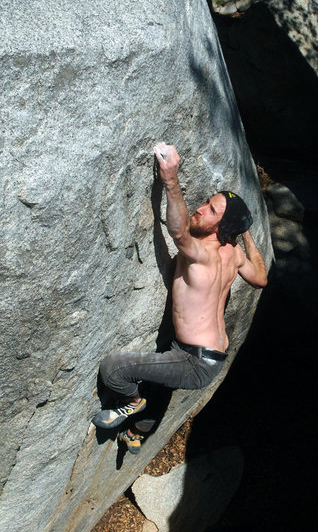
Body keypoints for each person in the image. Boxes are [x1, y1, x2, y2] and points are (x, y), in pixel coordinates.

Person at [92, 142, 267, 453]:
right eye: (207, 203)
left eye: (211, 211)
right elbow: (261, 278)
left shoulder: (202, 254)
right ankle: (138, 433)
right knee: (161, 384)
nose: (200, 208)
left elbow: (178, 233)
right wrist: (247, 234)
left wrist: (170, 181)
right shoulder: (235, 254)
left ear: (220, 228)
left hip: (193, 360)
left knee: (114, 369)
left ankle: (131, 404)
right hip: (202, 354)